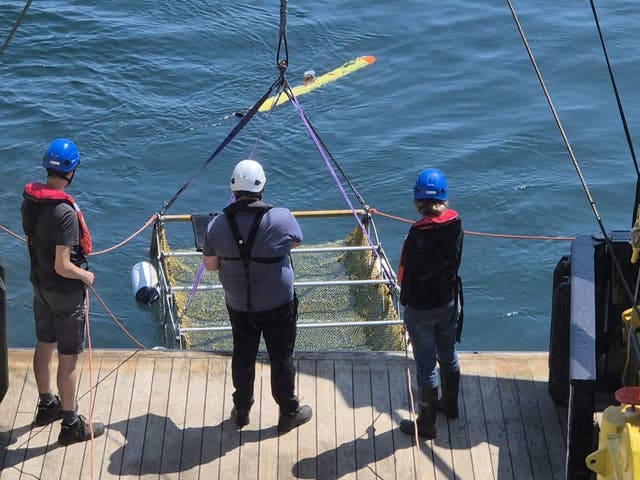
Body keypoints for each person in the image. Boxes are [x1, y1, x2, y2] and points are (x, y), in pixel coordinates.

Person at [202, 159, 312, 433]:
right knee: (282, 356)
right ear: (262, 186)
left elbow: (211, 265)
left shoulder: (216, 225)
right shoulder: (280, 217)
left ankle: (242, 410)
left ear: (233, 188)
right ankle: (288, 411)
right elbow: (296, 240)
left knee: (243, 354)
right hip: (278, 304)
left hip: (240, 305)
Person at [21, 138, 105, 445]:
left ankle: (47, 405)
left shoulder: (30, 200)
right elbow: (63, 265)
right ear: (71, 171)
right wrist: (86, 275)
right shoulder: (65, 213)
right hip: (64, 293)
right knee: (68, 359)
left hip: (39, 285)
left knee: (44, 345)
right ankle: (70, 424)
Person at [397, 168, 463, 439]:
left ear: (417, 201)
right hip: (448, 302)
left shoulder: (416, 234)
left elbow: (403, 275)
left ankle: (426, 425)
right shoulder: (456, 223)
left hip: (421, 310)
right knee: (448, 355)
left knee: (426, 365)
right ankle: (450, 405)